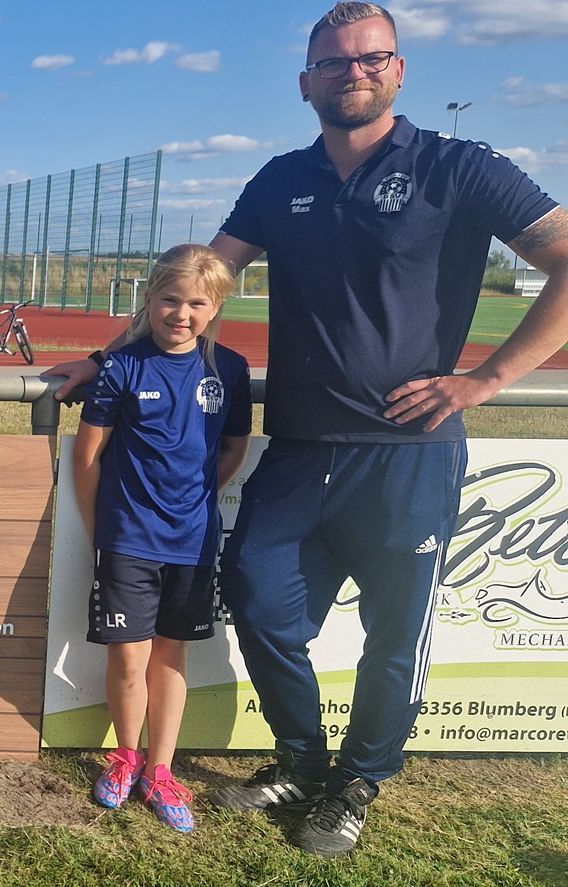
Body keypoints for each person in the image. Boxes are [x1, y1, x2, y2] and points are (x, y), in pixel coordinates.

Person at [47, 2, 568, 857]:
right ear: (305, 82)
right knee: (257, 599)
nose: (352, 72)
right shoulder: (280, 179)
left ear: (399, 70)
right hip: (297, 448)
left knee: (394, 634)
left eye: (371, 58)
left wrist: (488, 379)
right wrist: (108, 358)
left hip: (408, 452)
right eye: (333, 62)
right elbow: (199, 282)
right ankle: (300, 758)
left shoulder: (460, 167)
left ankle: (358, 779)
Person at [74, 245, 251, 834]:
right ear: (148, 299)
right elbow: (87, 457)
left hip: (194, 541)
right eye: (170, 299)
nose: (181, 313)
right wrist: (100, 527)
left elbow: (233, 447)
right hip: (128, 538)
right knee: (129, 655)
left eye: (197, 303)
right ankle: (126, 757)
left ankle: (160, 769)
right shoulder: (123, 366)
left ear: (215, 307)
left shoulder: (229, 370)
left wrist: (198, 498)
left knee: (171, 655)